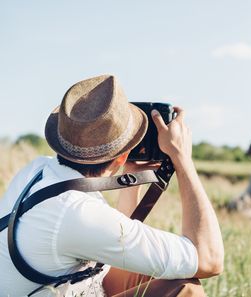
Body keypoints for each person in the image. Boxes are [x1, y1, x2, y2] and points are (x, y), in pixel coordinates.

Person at [0, 75, 224, 296]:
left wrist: (131, 175)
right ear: (120, 157)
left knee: (152, 272)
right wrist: (182, 159)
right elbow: (210, 260)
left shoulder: (39, 169)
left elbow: (114, 233)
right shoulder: (76, 212)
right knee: (186, 289)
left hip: (59, 287)